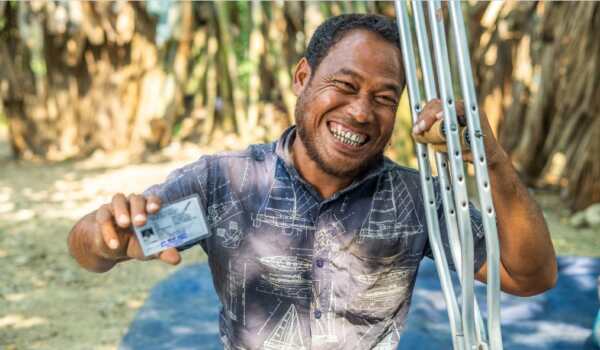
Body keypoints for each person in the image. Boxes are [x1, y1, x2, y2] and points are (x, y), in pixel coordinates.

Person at [67, 14, 557, 350]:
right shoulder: (225, 185)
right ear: (303, 77)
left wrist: (493, 163)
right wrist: (105, 236)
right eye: (343, 87)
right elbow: (101, 248)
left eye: (384, 98)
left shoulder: (414, 198)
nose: (361, 111)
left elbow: (529, 277)